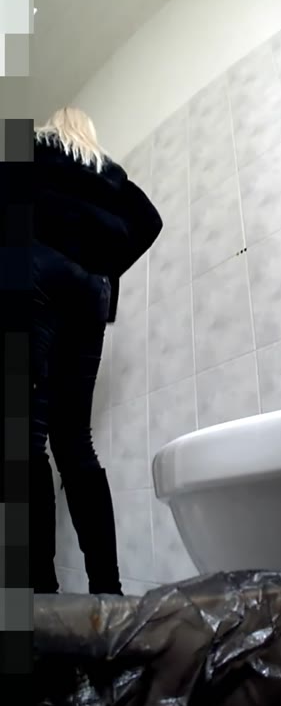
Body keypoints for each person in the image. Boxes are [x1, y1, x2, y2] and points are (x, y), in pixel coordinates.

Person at [32, 107, 162, 594]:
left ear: (53, 125)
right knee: (74, 442)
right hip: (91, 291)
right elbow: (150, 221)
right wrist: (103, 265)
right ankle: (108, 592)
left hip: (38, 274)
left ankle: (40, 595)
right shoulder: (108, 172)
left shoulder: (32, 147)